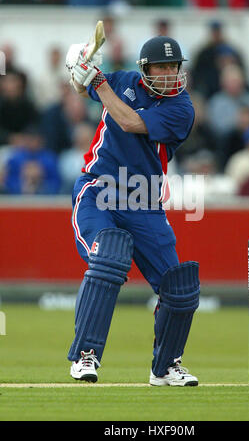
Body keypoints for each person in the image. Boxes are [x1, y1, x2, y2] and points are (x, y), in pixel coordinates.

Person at [65, 33, 200, 386]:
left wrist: (96, 80)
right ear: (145, 69)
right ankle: (85, 356)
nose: (170, 73)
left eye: (174, 66)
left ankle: (166, 366)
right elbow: (82, 89)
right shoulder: (123, 80)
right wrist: (77, 68)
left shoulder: (181, 108)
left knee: (179, 287)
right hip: (99, 191)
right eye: (162, 66)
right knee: (108, 258)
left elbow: (129, 121)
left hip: (145, 202)